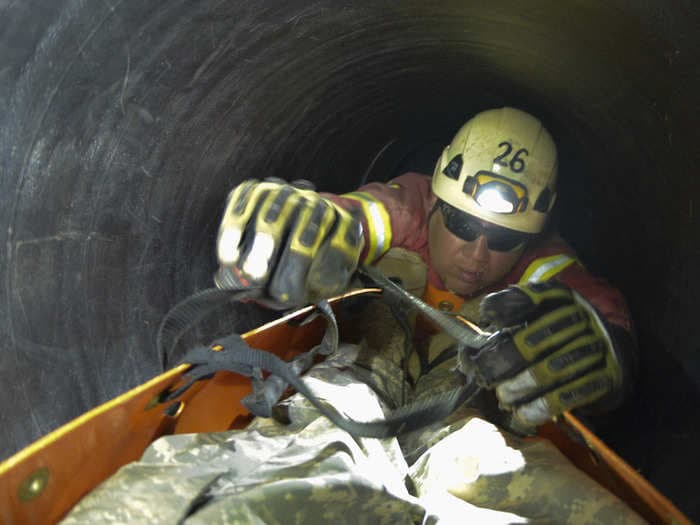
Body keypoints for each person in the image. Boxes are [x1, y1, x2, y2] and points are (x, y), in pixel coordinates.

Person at [62, 108, 643, 524]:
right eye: (464, 225)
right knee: (342, 406)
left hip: (465, 396)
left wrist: (601, 347)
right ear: (439, 201)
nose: (477, 253)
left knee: (486, 454)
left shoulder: (544, 264)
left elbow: (592, 309)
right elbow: (363, 218)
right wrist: (315, 225)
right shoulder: (412, 205)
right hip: (369, 357)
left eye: (502, 240)